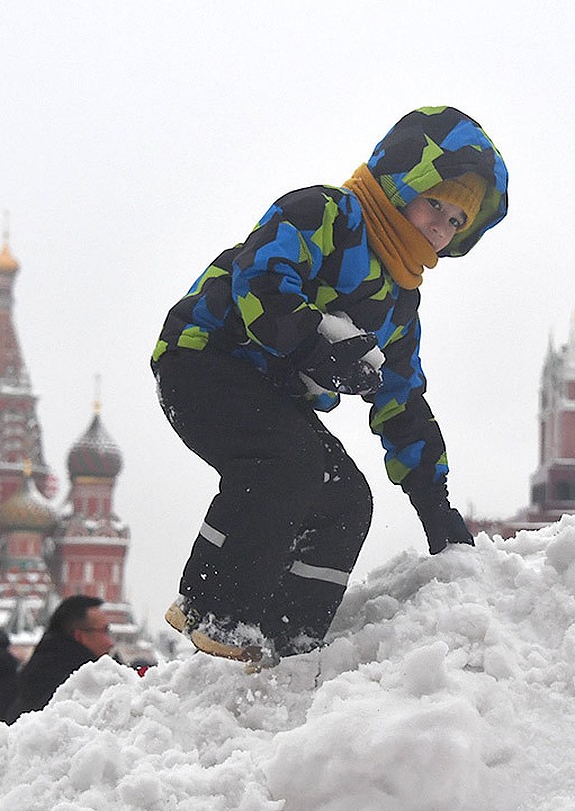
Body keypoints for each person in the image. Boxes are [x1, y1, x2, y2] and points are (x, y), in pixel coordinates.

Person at [152, 105, 509, 666]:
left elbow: (402, 398)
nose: (440, 225)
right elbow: (262, 281)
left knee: (345, 499)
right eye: (434, 203)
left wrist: (432, 500)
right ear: (402, 179)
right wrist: (317, 345)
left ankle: (290, 642)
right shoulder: (324, 214)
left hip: (270, 393)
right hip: (204, 358)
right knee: (286, 460)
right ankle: (213, 605)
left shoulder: (399, 301)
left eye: (456, 221)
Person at [6, 595, 114, 721]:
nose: (110, 643)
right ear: (80, 635)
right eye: (104, 631)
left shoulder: (36, 672)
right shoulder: (81, 687)